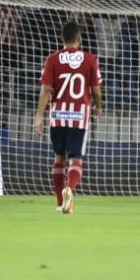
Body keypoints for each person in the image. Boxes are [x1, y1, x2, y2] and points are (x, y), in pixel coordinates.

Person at [32, 21, 102, 214]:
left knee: (59, 158)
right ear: (79, 38)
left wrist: (39, 116)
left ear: (61, 38)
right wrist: (98, 106)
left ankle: (60, 202)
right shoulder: (90, 59)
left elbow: (46, 89)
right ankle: (69, 189)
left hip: (58, 116)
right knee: (76, 159)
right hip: (79, 116)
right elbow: (96, 90)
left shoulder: (52, 59)